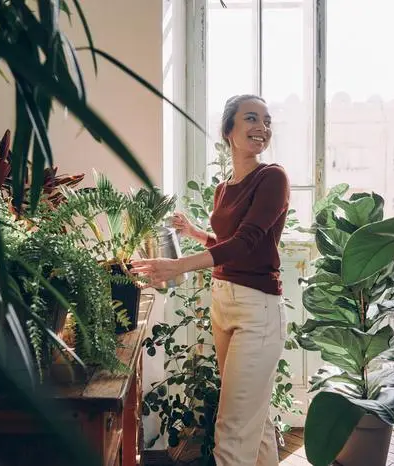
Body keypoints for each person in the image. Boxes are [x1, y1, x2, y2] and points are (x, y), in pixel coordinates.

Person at [130, 94, 291, 466]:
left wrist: (179, 265)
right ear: (228, 131)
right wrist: (196, 233)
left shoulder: (272, 178)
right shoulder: (223, 189)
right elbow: (229, 243)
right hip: (224, 302)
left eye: (266, 121)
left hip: (257, 310)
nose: (262, 128)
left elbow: (249, 242)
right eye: (251, 118)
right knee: (256, 419)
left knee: (232, 429)